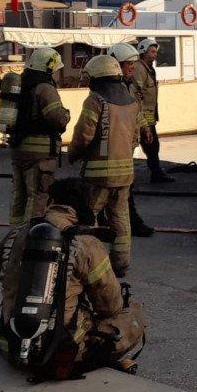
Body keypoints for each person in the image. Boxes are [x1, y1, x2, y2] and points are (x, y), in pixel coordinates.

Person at [0, 178, 146, 376]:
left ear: (51, 202)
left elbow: (2, 276)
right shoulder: (86, 243)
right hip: (61, 353)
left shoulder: (15, 234)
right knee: (134, 315)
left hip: (11, 345)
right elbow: (110, 306)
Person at [68, 54, 143, 276]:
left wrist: (73, 153)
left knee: (87, 217)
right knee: (120, 218)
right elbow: (135, 137)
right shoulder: (132, 101)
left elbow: (84, 134)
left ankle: (86, 263)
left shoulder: (95, 100)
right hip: (126, 173)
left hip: (98, 175)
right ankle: (120, 264)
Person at [8, 47, 70, 226]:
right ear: (48, 68)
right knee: (38, 195)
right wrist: (67, 114)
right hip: (40, 152)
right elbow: (58, 119)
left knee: (19, 195)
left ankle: (15, 233)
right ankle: (30, 236)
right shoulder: (45, 88)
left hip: (19, 148)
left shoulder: (21, 84)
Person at [106, 43, 155, 239]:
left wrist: (145, 126)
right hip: (113, 148)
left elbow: (135, 108)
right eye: (129, 65)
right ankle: (128, 224)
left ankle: (122, 223)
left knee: (124, 188)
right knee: (116, 190)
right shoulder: (109, 89)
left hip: (126, 145)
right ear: (117, 65)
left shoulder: (128, 87)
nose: (133, 68)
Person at [130, 39, 171, 184]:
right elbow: (135, 92)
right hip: (142, 114)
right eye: (152, 52)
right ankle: (155, 173)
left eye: (156, 52)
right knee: (149, 144)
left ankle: (156, 172)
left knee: (152, 145)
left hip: (148, 114)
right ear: (143, 52)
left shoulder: (148, 69)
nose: (155, 55)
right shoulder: (139, 69)